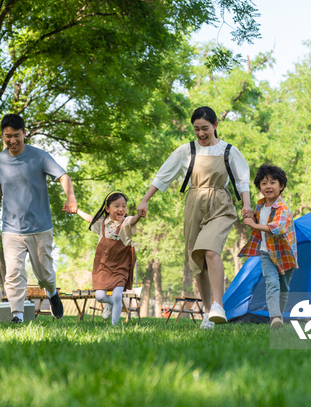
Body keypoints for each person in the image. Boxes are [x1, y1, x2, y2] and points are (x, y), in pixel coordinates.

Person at [137, 106, 252, 330]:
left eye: (205, 128)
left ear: (216, 125)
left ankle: (218, 305)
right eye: (196, 129)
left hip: (220, 203)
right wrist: (145, 200)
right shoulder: (186, 151)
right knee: (197, 260)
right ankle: (208, 314)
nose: (200, 134)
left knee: (210, 249)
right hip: (193, 204)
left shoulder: (229, 151)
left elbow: (242, 181)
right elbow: (163, 176)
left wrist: (247, 204)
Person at [0, 114, 78, 324]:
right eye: (7, 136)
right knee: (13, 272)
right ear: (2, 136)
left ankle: (52, 293)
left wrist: (71, 198)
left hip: (40, 227)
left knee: (44, 273)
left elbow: (63, 176)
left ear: (24, 133)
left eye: (16, 136)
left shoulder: (39, 156)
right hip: (11, 229)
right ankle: (18, 315)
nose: (12, 141)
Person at [240, 164, 297, 329]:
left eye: (273, 182)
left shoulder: (282, 207)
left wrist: (254, 225)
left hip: (285, 254)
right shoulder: (259, 205)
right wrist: (252, 216)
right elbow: (257, 220)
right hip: (267, 253)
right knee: (272, 283)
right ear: (259, 187)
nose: (268, 186)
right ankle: (275, 318)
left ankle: (279, 315)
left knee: (284, 287)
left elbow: (277, 228)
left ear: (281, 186)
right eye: (264, 183)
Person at [74, 192, 144, 326]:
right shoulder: (101, 223)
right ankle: (110, 304)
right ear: (107, 209)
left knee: (118, 295)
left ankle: (114, 325)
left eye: (124, 206)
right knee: (99, 297)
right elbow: (90, 218)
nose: (121, 209)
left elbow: (134, 219)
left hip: (121, 265)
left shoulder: (126, 223)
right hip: (103, 266)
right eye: (116, 206)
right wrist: (77, 211)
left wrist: (139, 215)